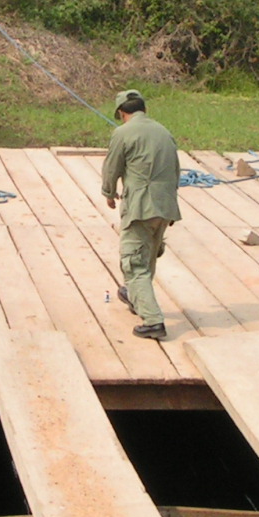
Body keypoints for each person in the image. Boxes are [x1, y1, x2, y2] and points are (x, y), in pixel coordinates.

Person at [100, 89, 180, 340]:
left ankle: (153, 321)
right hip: (165, 206)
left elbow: (112, 166)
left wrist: (109, 193)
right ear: (143, 109)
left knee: (134, 264)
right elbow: (176, 170)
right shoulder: (164, 132)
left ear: (122, 113)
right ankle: (136, 297)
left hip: (140, 207)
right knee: (148, 257)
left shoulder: (122, 133)